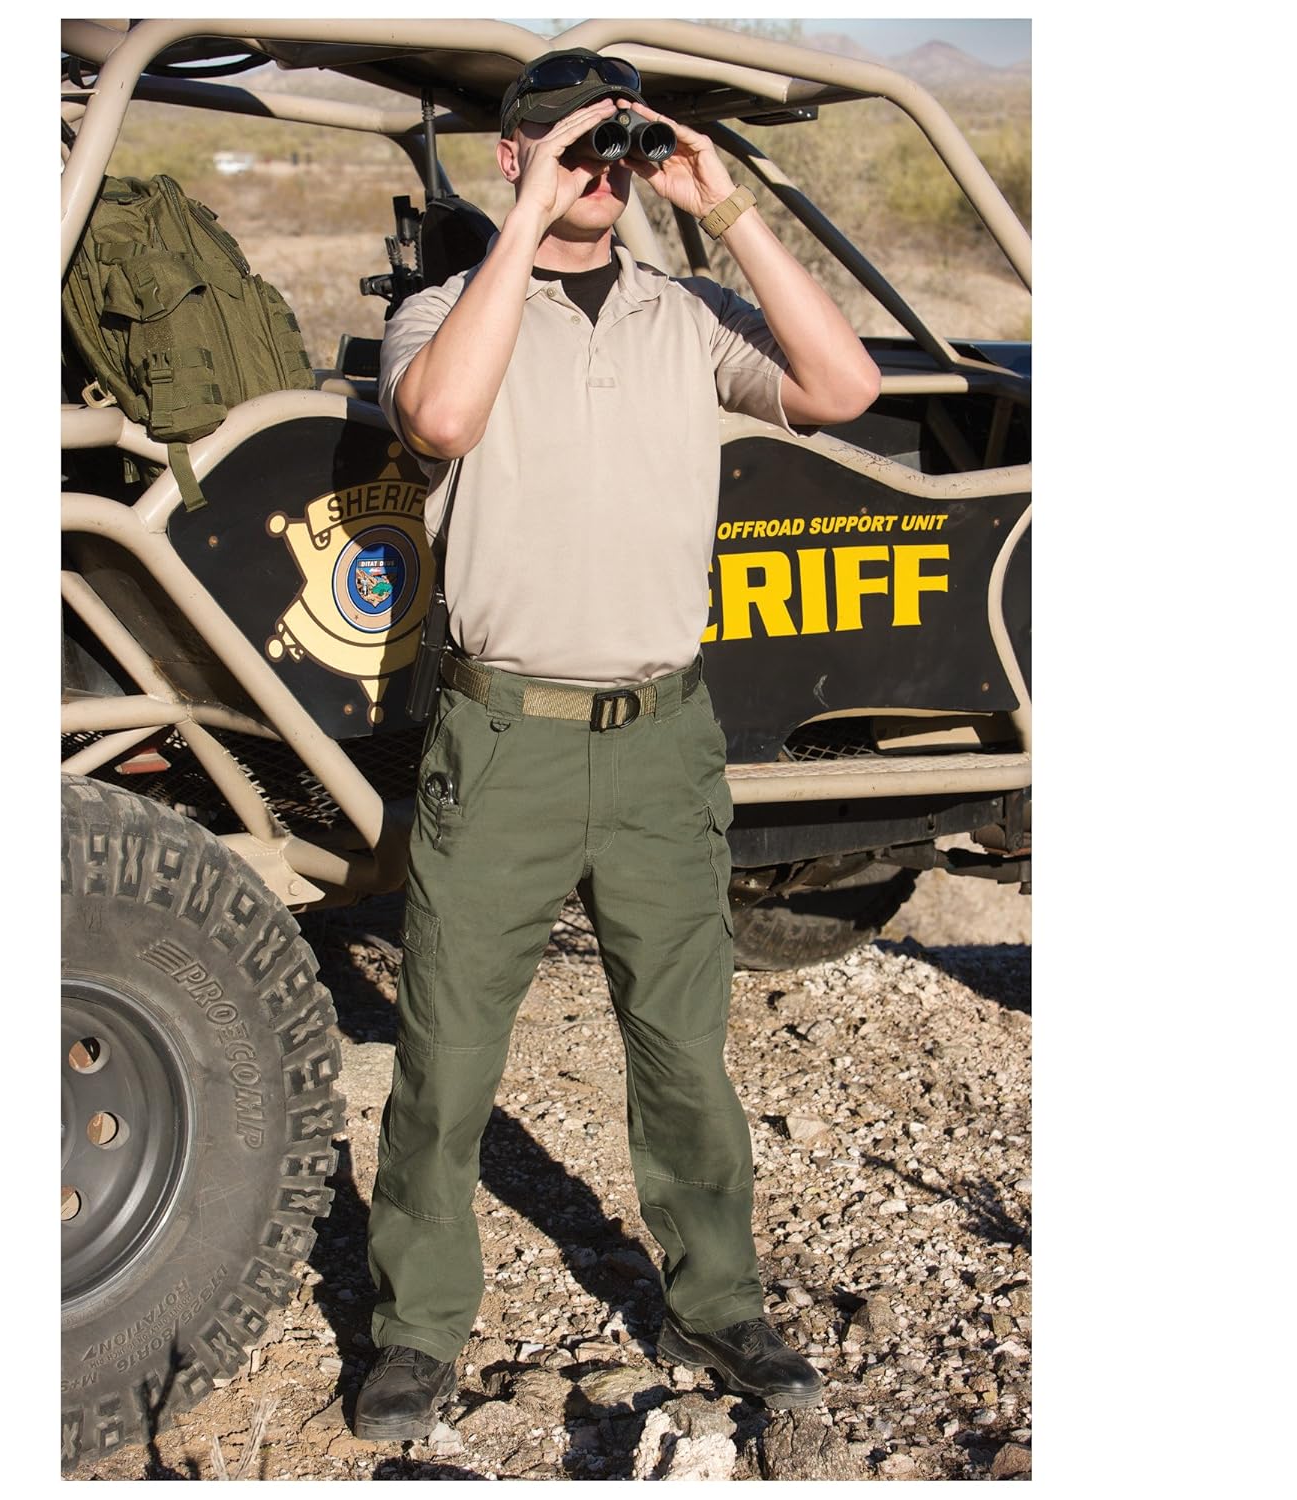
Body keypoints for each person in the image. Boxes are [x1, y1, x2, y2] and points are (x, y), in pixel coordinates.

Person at [353, 48, 881, 1442]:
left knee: (685, 1049)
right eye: (568, 142)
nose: (600, 168)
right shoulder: (441, 313)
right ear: (513, 154)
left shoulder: (685, 315)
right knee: (448, 1056)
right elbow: (441, 419)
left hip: (660, 740)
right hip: (505, 738)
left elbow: (844, 388)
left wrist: (727, 206)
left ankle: (717, 1302)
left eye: (617, 145)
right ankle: (415, 1329)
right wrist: (526, 225)